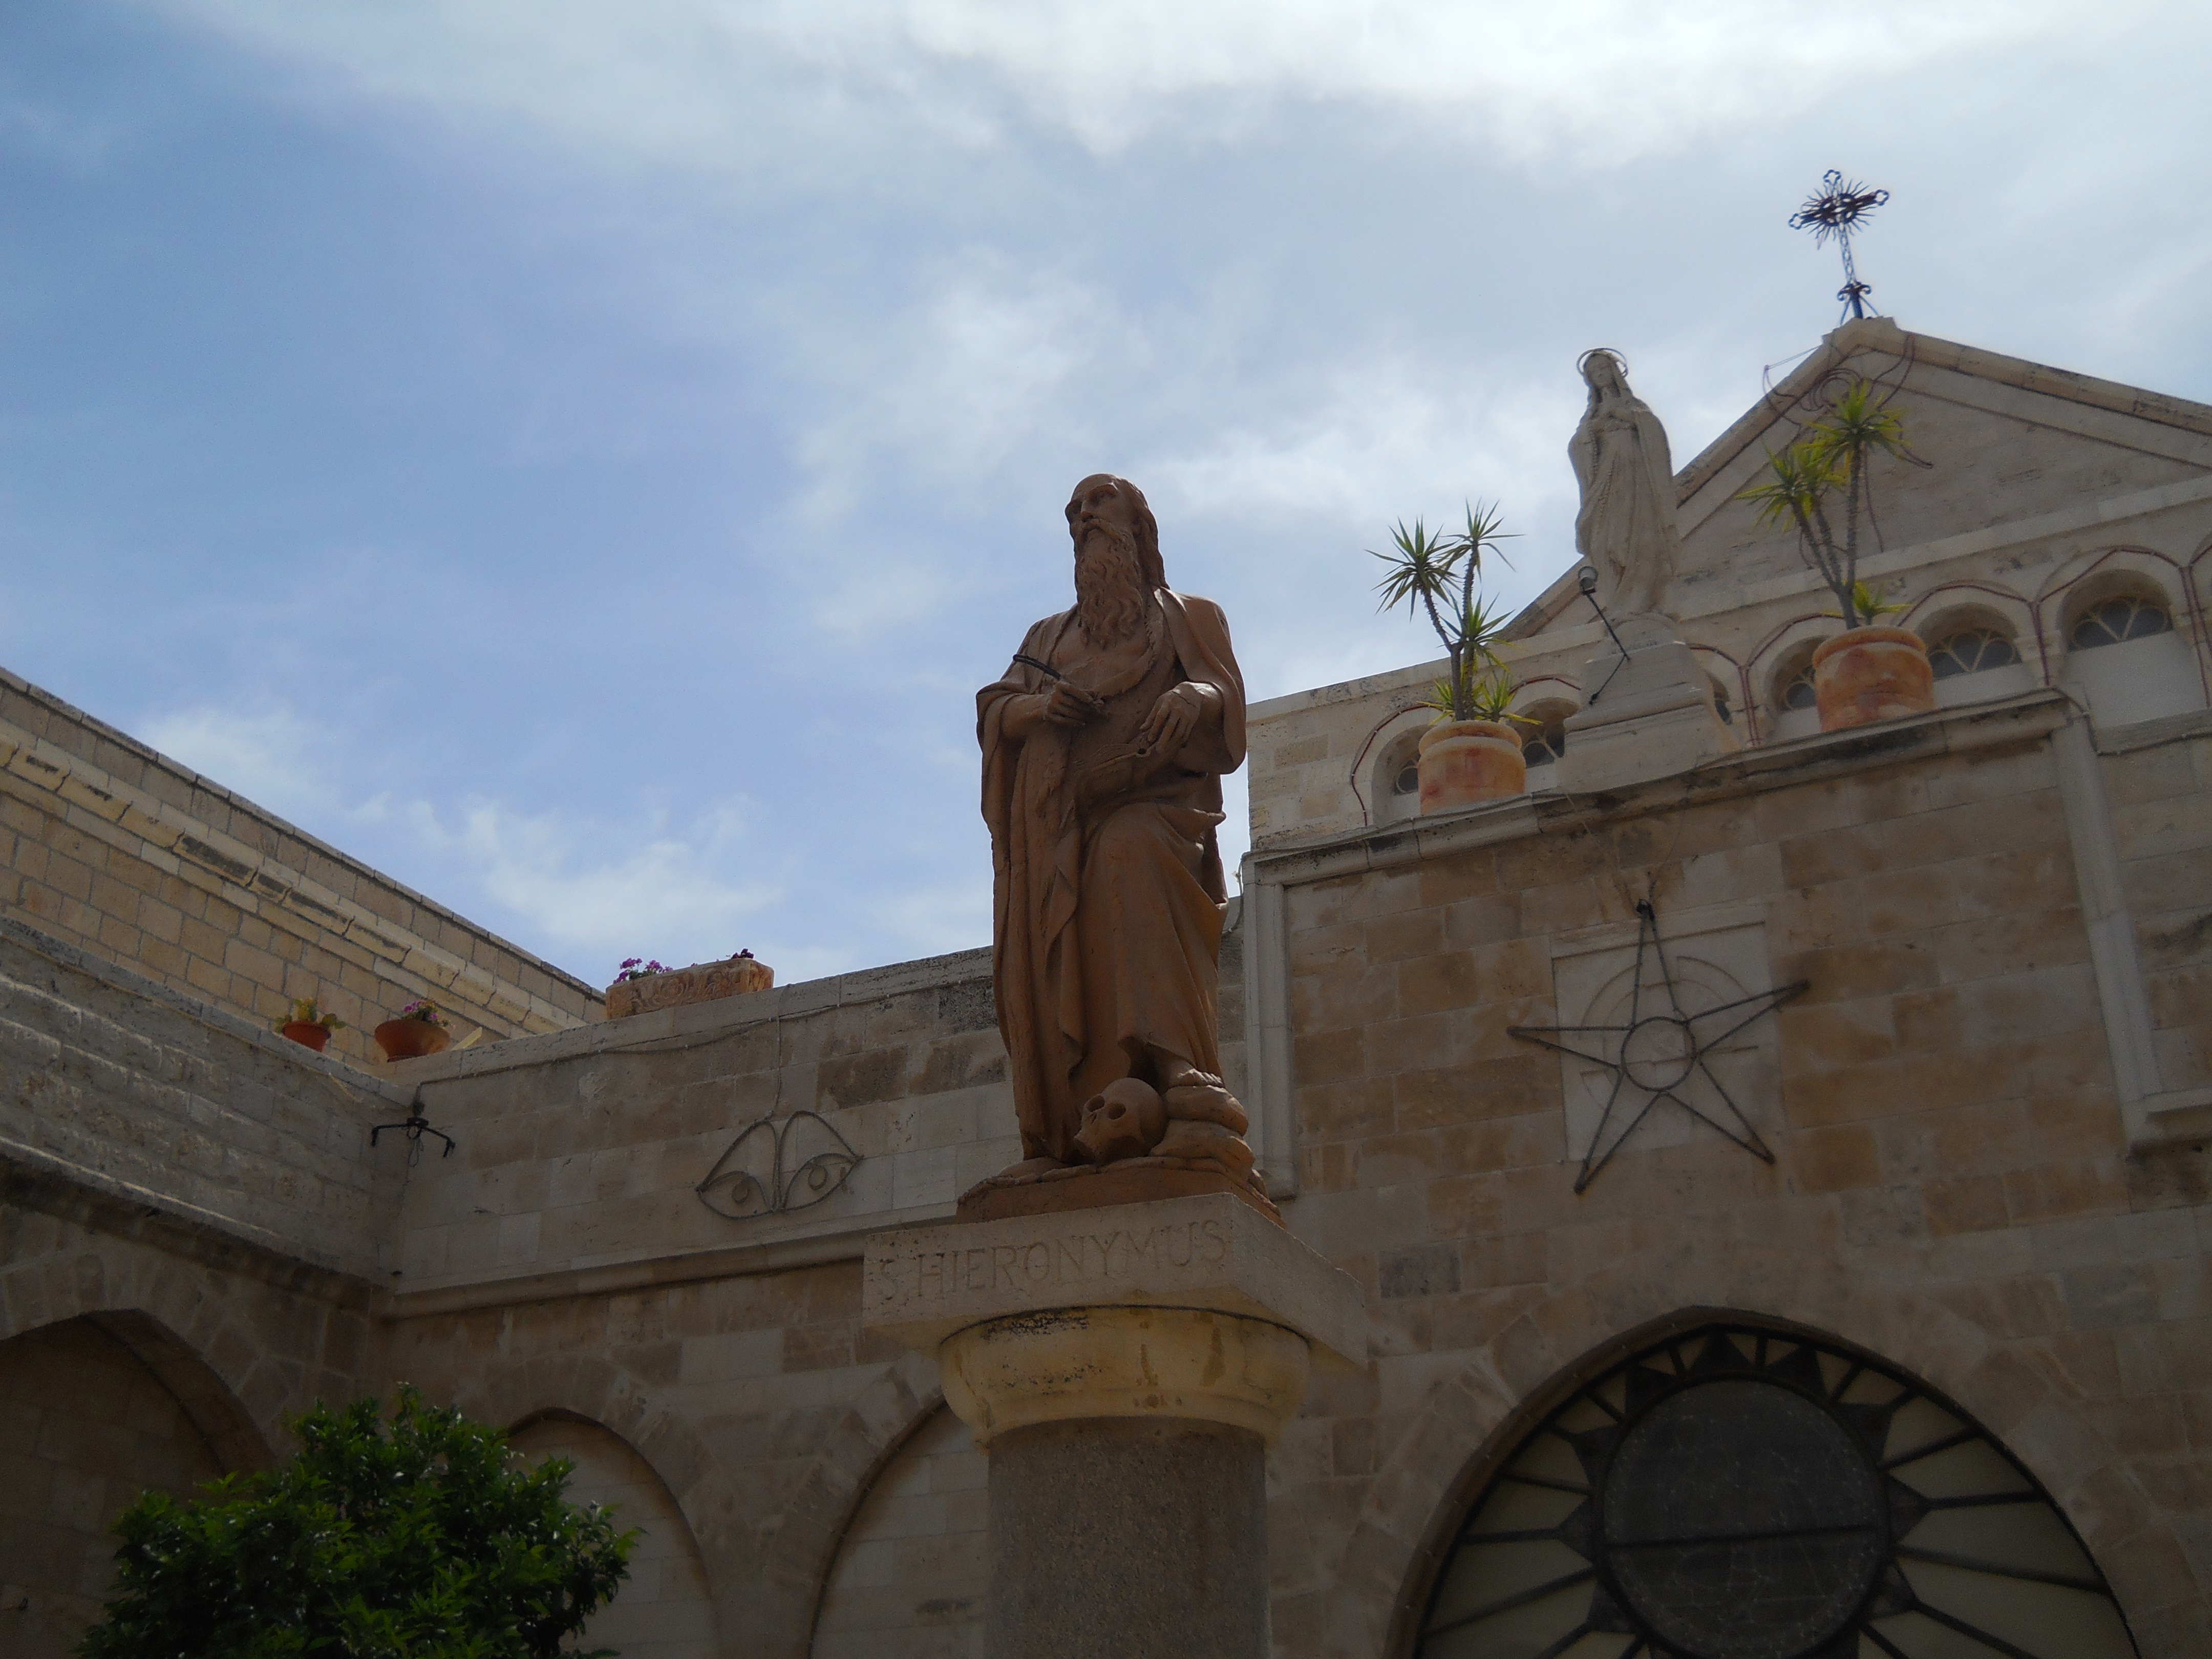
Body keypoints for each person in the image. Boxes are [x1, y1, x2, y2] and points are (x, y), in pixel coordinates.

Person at [976, 474, 1247, 1173]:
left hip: (1155, 809)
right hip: (1058, 824)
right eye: (1074, 511)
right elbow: (996, 709)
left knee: (1130, 848)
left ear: (1138, 525)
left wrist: (1194, 695)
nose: (1083, 516)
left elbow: (1226, 702)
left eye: (1099, 501)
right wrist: (1042, 709)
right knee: (1054, 927)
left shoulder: (1189, 616)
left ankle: (1180, 1072)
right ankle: (1071, 1118)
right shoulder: (1047, 638)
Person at [1570, 349, 1683, 614]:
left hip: (1637, 478)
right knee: (1604, 543)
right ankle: (1618, 602)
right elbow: (1578, 446)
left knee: (1642, 537)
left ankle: (1642, 600)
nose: (1600, 374)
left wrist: (1623, 415)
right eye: (1594, 372)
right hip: (1606, 481)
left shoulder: (1633, 406)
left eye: (1604, 368)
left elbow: (1652, 429)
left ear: (1614, 371)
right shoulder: (1591, 416)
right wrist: (1594, 429)